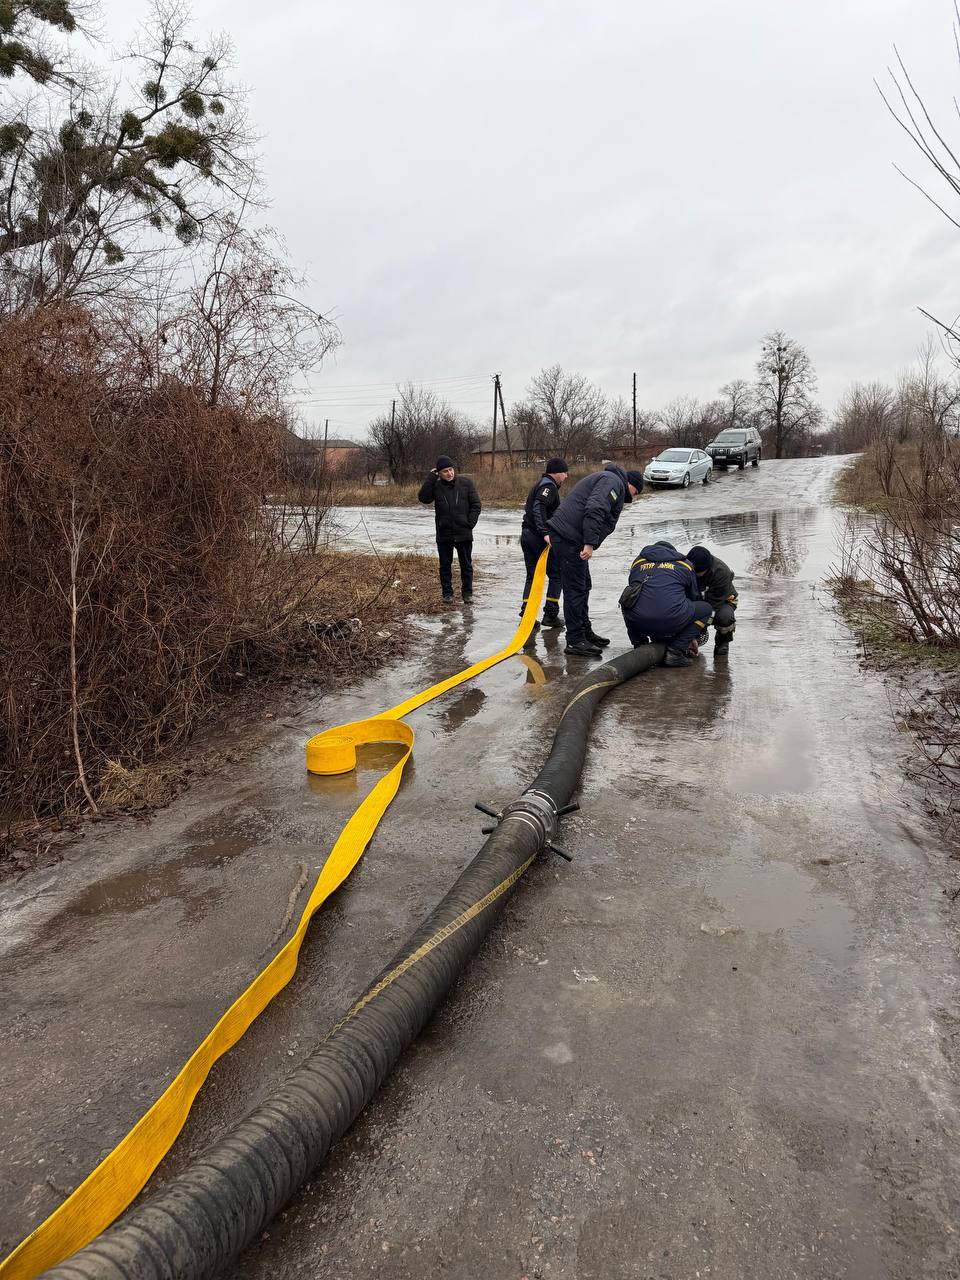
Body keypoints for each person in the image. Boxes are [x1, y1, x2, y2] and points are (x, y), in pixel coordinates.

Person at [547, 462, 644, 657]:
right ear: (630, 484)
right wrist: (589, 543)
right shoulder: (613, 482)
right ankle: (575, 640)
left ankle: (584, 631)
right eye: (636, 492)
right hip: (569, 538)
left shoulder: (611, 481)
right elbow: (595, 508)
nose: (634, 497)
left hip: (571, 537)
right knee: (575, 589)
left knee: (584, 585)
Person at [619, 540, 713, 667]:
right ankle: (676, 651)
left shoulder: (637, 563)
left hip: (637, 622)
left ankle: (639, 644)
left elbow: (634, 592)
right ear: (672, 553)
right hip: (671, 621)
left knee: (628, 600)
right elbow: (694, 597)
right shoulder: (685, 565)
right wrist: (692, 636)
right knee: (706, 609)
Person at [417, 455, 481, 603]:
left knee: (466, 565)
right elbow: (423, 498)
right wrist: (431, 478)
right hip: (444, 532)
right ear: (439, 473)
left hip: (463, 532)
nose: (449, 473)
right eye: (445, 471)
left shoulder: (466, 483)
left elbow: (476, 505)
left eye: (451, 469)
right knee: (445, 566)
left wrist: (469, 524)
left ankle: (467, 594)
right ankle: (447, 594)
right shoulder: (436, 486)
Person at [519, 457, 568, 630]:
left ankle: (527, 615)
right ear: (557, 473)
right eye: (565, 473)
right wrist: (545, 533)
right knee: (557, 574)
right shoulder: (549, 487)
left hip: (527, 535)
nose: (566, 476)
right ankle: (551, 614)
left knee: (532, 576)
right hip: (538, 538)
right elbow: (538, 508)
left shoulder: (542, 483)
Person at [687, 545, 738, 655]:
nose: (694, 574)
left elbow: (712, 608)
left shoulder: (721, 572)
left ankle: (722, 642)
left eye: (697, 572)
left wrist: (699, 629)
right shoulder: (685, 567)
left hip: (722, 602)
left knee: (725, 617)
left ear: (707, 568)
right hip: (697, 601)